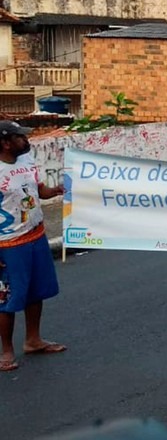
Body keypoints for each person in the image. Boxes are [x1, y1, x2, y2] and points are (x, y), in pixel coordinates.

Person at [0, 121, 67, 373]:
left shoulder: (27, 163)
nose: (27, 141)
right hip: (8, 243)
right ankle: (6, 350)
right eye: (20, 138)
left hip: (35, 236)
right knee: (7, 298)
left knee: (35, 292)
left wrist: (58, 190)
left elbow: (40, 192)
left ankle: (33, 339)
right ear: (6, 143)